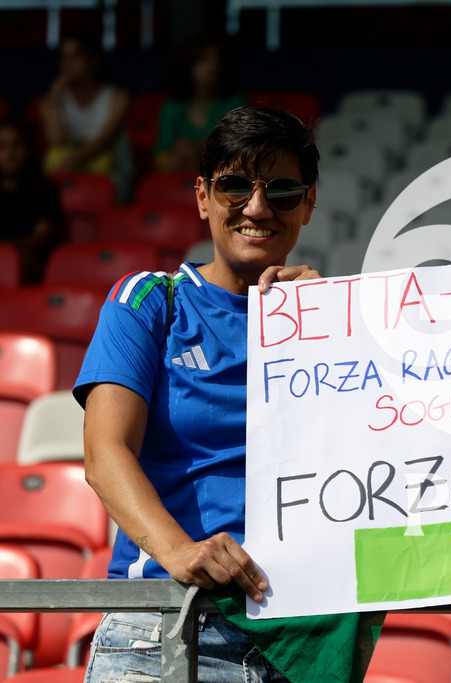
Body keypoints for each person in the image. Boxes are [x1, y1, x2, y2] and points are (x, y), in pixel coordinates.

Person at [74, 106, 376, 682]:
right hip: (164, 628)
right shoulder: (148, 301)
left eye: (282, 191)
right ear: (202, 197)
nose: (257, 209)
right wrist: (181, 551)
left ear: (309, 204)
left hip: (297, 642)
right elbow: (104, 453)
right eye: (235, 186)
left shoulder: (340, 321)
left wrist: (335, 330)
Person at [39, 31, 132, 201]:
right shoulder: (53, 100)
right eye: (64, 57)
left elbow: (104, 141)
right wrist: (54, 97)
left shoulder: (118, 98)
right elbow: (57, 140)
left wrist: (73, 160)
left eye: (76, 56)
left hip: (111, 170)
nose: (68, 64)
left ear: (94, 62)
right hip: (69, 168)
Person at [154, 33, 247, 173]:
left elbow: (238, 150)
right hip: (180, 172)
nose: (212, 66)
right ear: (187, 65)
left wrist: (195, 147)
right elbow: (160, 158)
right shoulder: (171, 108)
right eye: (203, 59)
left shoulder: (235, 103)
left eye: (217, 59)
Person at [0, 117, 65, 283]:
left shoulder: (43, 190)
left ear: (28, 149)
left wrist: (7, 250)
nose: (10, 153)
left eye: (17, 145)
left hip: (30, 266)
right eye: (3, 147)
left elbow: (41, 239)